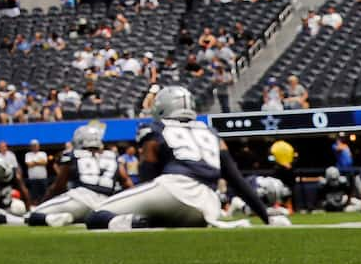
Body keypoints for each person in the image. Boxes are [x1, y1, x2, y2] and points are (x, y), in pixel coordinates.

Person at [74, 85, 271, 230]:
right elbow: (235, 178)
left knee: (95, 216)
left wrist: (144, 203)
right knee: (167, 220)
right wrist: (266, 216)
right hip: (208, 205)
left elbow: (148, 172)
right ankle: (146, 221)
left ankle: (131, 222)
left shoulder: (154, 129)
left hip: (173, 189)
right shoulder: (211, 132)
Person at [24, 122, 125, 227]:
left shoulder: (73, 155)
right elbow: (126, 181)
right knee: (97, 217)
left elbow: (58, 186)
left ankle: (54, 218)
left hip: (80, 198)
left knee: (33, 216)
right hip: (105, 201)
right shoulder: (112, 156)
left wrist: (43, 202)